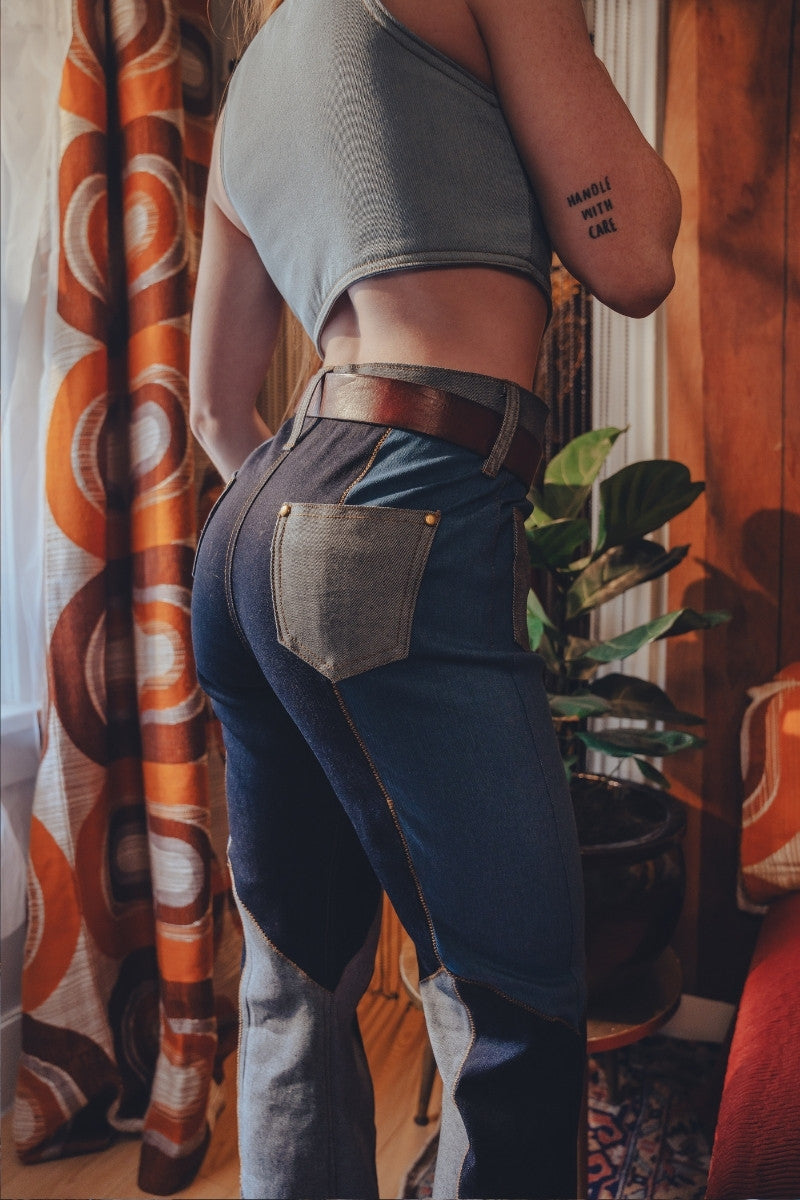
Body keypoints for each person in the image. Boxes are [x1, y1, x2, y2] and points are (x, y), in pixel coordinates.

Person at [189, 1, 681, 1196]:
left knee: (294, 975)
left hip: (252, 520)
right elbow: (632, 255)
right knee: (514, 996)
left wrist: (306, 536)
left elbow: (214, 409)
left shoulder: (254, 77)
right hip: (405, 486)